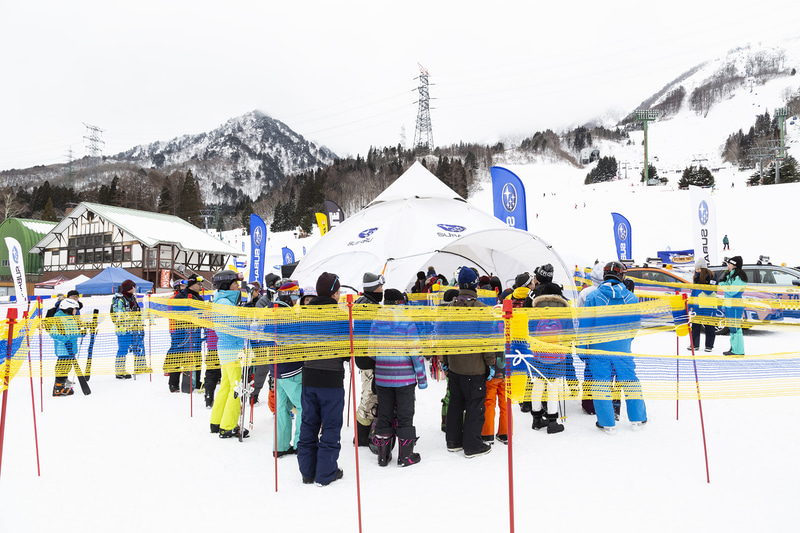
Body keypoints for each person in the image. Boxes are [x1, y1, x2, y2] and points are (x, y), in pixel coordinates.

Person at [297, 272, 348, 486]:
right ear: (334, 293)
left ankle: (307, 472)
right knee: (330, 425)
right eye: (339, 291)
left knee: (308, 423)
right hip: (331, 379)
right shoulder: (340, 316)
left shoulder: (304, 314)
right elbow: (347, 351)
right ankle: (326, 472)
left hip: (309, 377)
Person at [583, 261, 647, 434]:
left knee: (601, 384)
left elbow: (584, 325)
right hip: (622, 349)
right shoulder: (631, 298)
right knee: (630, 381)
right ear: (622, 276)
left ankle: (607, 423)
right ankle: (638, 419)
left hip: (598, 349)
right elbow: (635, 325)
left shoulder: (593, 297)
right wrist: (626, 341)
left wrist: (583, 349)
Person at [441, 266, 497, 458]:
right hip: (475, 368)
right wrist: (490, 364)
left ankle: (453, 440)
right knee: (475, 406)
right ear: (475, 286)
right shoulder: (482, 309)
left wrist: (445, 361)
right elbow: (487, 340)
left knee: (455, 403)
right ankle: (473, 445)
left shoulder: (448, 308)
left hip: (455, 367)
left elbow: (443, 338)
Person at [370, 288, 427, 467]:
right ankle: (405, 456)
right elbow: (416, 353)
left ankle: (383, 456)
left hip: (383, 376)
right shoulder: (407, 321)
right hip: (405, 378)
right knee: (405, 415)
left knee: (385, 414)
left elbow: (371, 351)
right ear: (400, 302)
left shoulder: (376, 321)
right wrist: (422, 379)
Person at [209, 270, 249, 439]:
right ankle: (228, 426)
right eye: (235, 283)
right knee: (236, 388)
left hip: (226, 348)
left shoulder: (221, 300)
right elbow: (235, 326)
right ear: (226, 285)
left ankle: (217, 421)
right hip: (232, 348)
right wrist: (249, 324)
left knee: (226, 386)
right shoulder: (225, 303)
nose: (238, 287)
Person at [353, 272, 384, 447]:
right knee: (369, 396)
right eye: (381, 287)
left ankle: (364, 432)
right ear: (374, 288)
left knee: (370, 394)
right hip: (368, 359)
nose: (382, 290)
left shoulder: (365, 304)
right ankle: (361, 436)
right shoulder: (369, 309)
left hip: (366, 358)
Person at [164, 275, 204, 393]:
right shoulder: (181, 296)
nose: (201, 287)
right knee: (178, 355)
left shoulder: (198, 297)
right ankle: (173, 384)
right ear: (192, 284)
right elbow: (176, 311)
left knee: (196, 355)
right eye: (199, 284)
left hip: (195, 331)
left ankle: (196, 381)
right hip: (181, 332)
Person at [111, 279, 149, 378]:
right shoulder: (120, 300)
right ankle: (120, 371)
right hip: (124, 330)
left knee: (139, 346)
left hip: (135, 328)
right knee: (123, 349)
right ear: (129, 288)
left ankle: (140, 366)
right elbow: (119, 315)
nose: (135, 288)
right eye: (133, 287)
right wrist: (132, 313)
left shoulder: (132, 298)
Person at [48, 297, 82, 396]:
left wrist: (81, 333)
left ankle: (61, 386)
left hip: (70, 348)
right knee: (62, 368)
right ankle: (58, 388)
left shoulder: (70, 319)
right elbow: (53, 333)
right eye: (75, 309)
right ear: (69, 309)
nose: (76, 311)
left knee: (66, 367)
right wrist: (65, 340)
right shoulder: (59, 319)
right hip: (63, 349)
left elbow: (72, 333)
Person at [689, 258, 718, 353]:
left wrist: (701, 283)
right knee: (695, 325)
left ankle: (709, 345)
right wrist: (691, 303)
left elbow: (710, 291)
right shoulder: (696, 277)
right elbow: (693, 291)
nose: (697, 271)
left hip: (709, 306)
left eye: (699, 269)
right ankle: (694, 344)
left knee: (709, 325)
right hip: (698, 305)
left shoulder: (712, 276)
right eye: (696, 269)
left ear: (703, 268)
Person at [719, 256, 746, 356]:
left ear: (734, 265)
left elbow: (732, 291)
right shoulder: (731, 276)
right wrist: (724, 305)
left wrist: (722, 284)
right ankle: (734, 348)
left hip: (735, 305)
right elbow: (728, 293)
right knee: (732, 328)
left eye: (729, 264)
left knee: (736, 328)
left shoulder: (739, 277)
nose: (728, 266)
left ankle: (738, 350)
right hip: (730, 305)